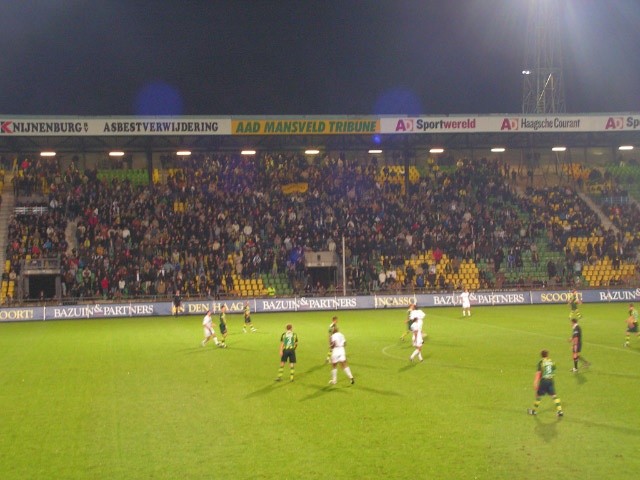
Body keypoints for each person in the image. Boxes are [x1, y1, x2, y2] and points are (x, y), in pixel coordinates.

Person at [528, 349, 563, 417]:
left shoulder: (541, 363)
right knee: (554, 396)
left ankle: (534, 411)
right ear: (547, 355)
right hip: (551, 380)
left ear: (541, 355)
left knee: (538, 395)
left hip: (544, 381)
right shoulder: (552, 361)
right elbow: (553, 368)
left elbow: (539, 373)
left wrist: (535, 382)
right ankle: (560, 411)